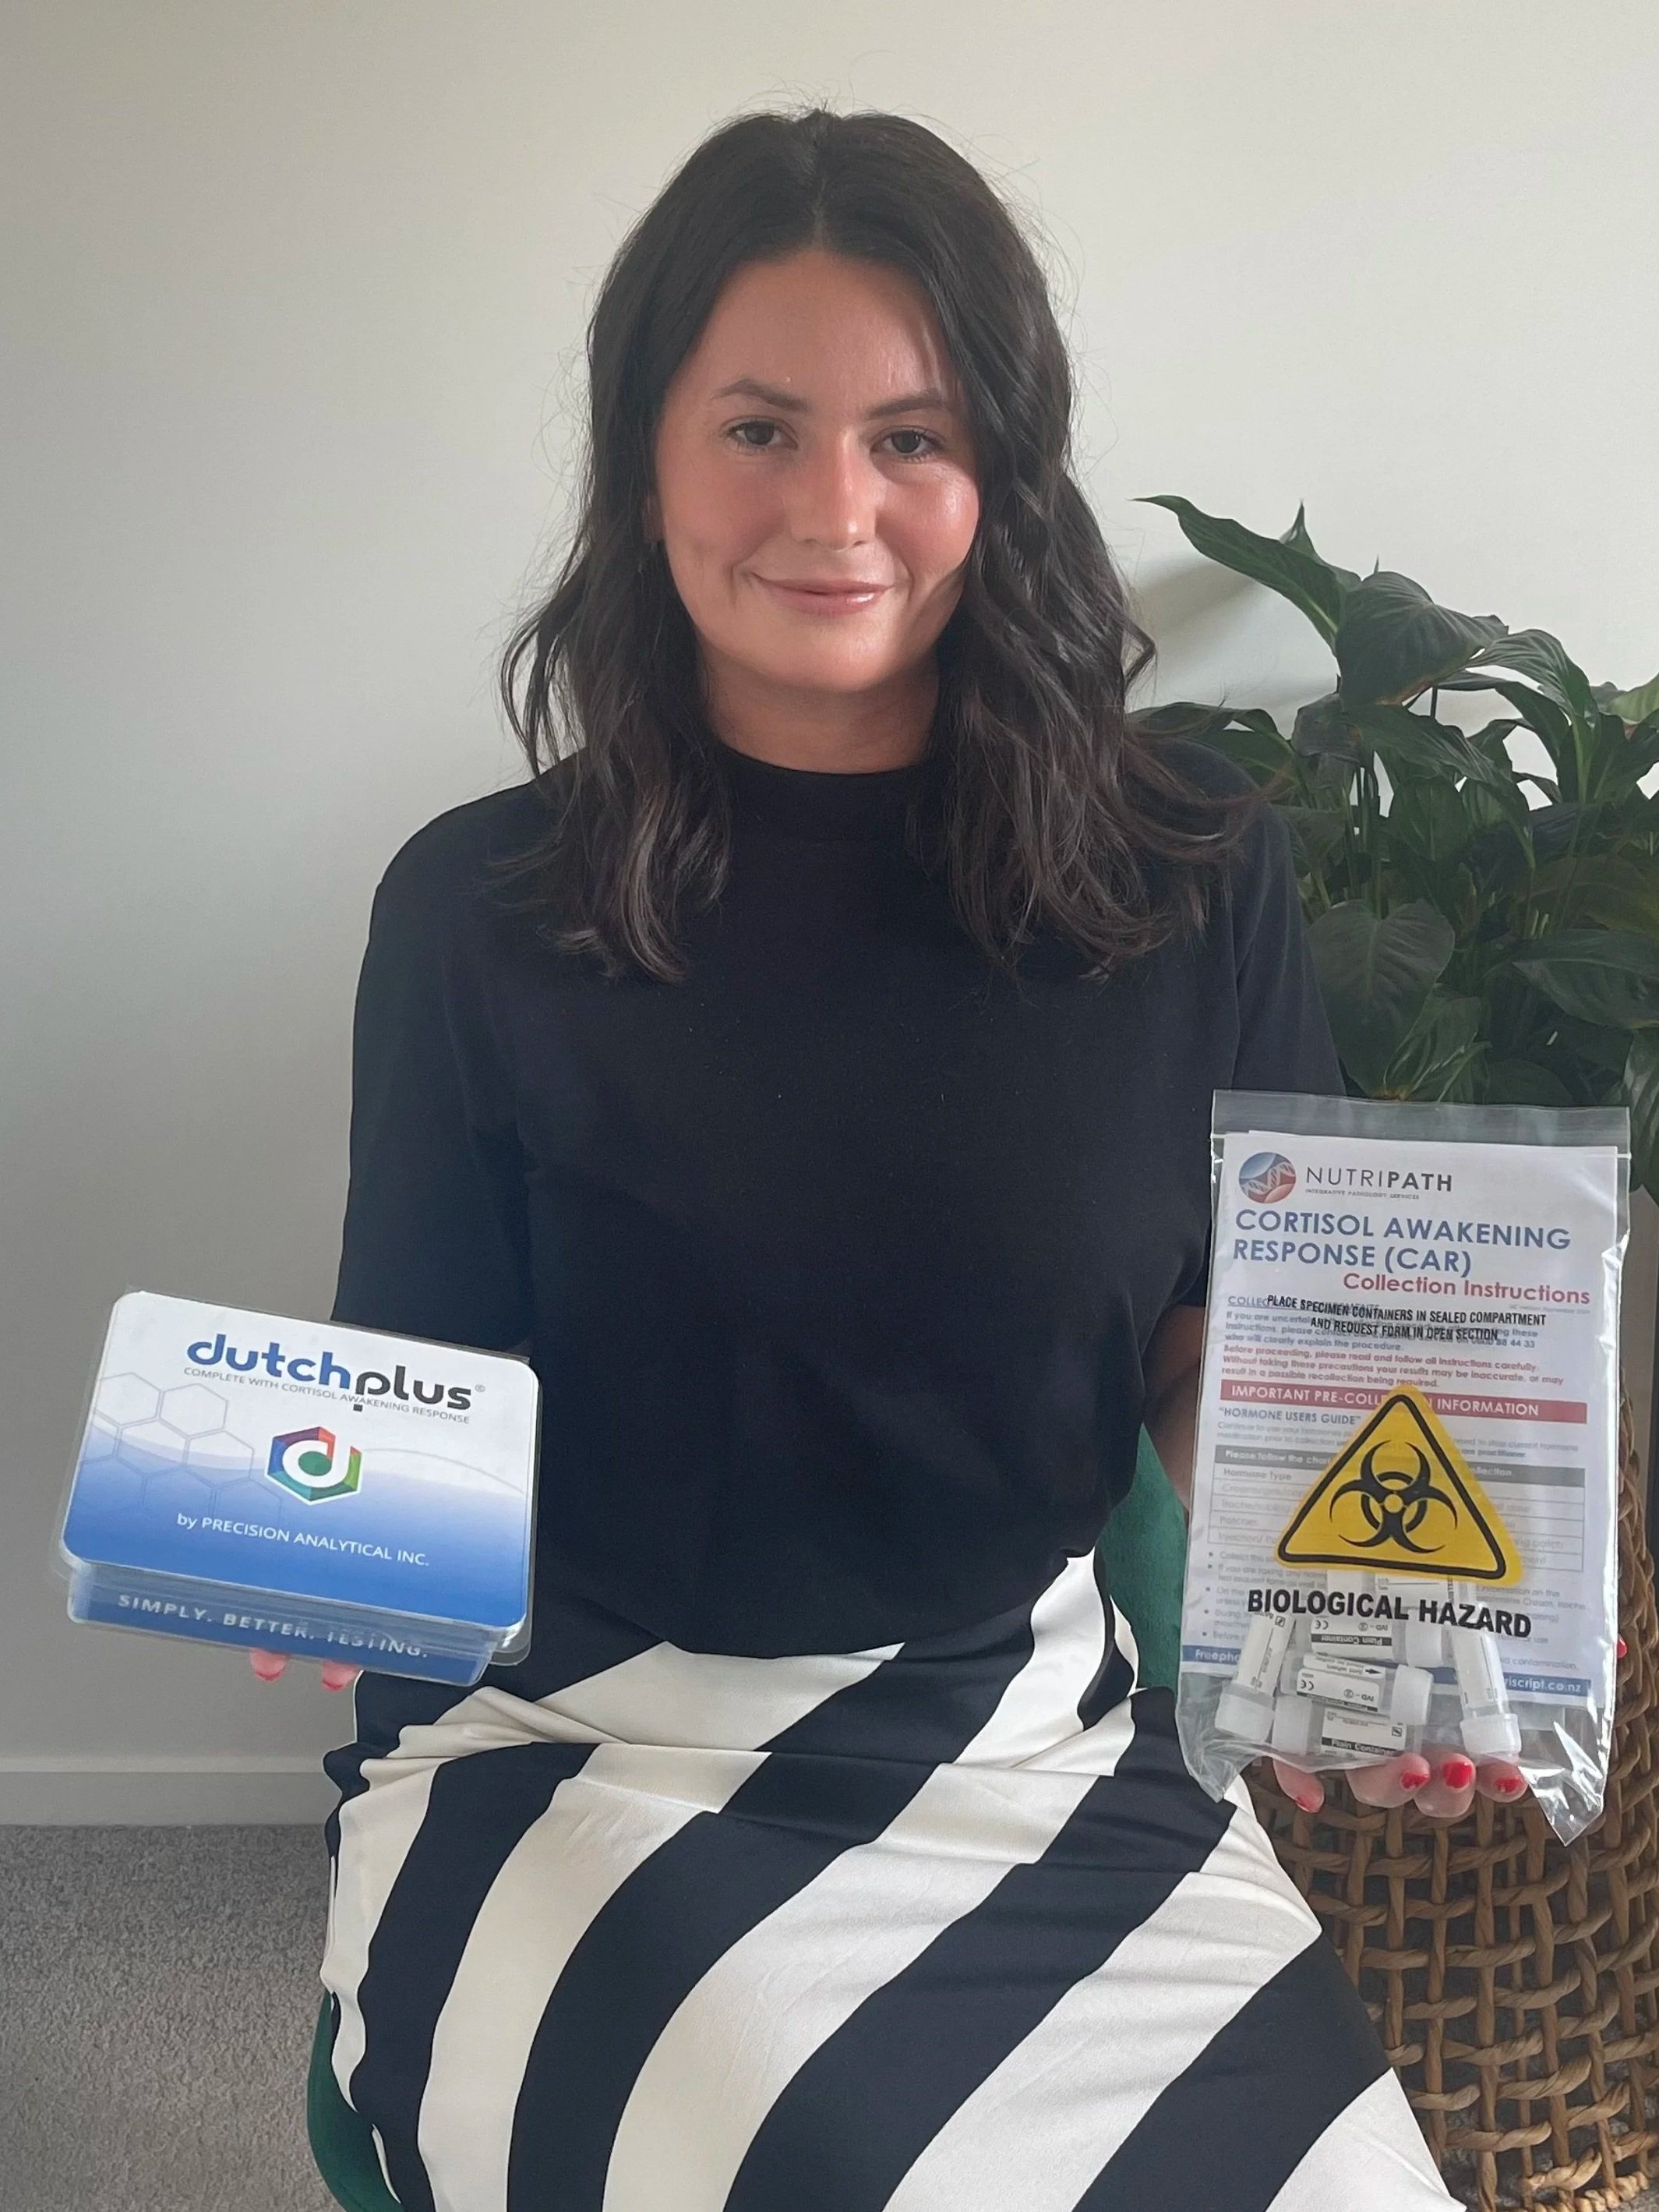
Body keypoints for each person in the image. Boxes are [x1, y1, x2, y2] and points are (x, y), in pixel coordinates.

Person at [252, 105, 1516, 2210]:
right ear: (641, 456)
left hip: (1029, 1738)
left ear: (999, 475)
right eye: (757, 427)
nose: (832, 507)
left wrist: (1367, 1613)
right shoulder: (478, 911)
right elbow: (409, 1387)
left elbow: (1242, 1351)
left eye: (911, 437)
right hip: (576, 1750)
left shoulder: (1193, 871)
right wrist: (295, 1528)